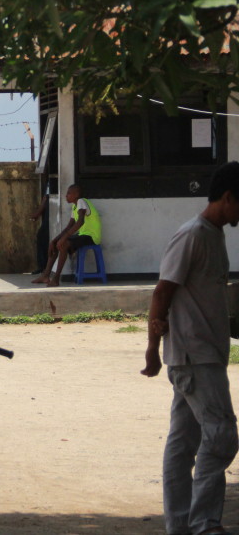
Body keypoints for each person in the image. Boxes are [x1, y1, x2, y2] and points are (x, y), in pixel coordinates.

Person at [142, 161, 239, 535]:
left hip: (205, 355)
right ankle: (203, 524)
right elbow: (162, 291)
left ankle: (181, 525)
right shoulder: (193, 234)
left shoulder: (214, 235)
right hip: (193, 357)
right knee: (222, 436)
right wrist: (152, 348)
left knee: (184, 444)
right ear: (228, 197)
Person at [32, 183, 101, 287]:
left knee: (63, 244)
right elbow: (69, 227)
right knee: (55, 244)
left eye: (69, 193)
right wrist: (54, 240)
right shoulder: (75, 207)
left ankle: (56, 279)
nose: (66, 196)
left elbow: (80, 222)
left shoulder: (81, 201)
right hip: (82, 235)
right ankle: (46, 275)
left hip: (91, 236)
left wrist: (63, 239)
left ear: (76, 194)